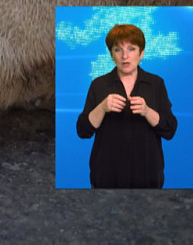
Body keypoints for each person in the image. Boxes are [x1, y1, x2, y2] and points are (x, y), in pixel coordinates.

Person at [76, 24, 177, 188]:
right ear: (111, 55)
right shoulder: (98, 85)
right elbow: (83, 131)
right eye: (118, 50)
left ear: (141, 53)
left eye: (131, 49)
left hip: (147, 175)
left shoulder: (156, 84)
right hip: (106, 175)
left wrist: (147, 111)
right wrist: (101, 108)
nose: (125, 56)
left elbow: (170, 130)